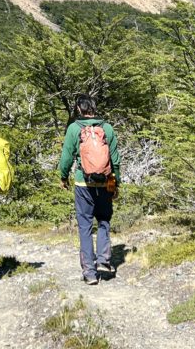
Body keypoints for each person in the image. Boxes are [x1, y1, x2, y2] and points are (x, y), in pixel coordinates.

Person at [58, 95, 121, 285]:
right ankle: (103, 261)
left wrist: (63, 176)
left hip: (83, 184)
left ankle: (89, 273)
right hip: (104, 183)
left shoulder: (74, 129)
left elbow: (67, 157)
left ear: (79, 109)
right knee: (104, 221)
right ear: (94, 108)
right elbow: (115, 160)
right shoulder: (107, 128)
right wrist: (116, 183)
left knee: (85, 226)